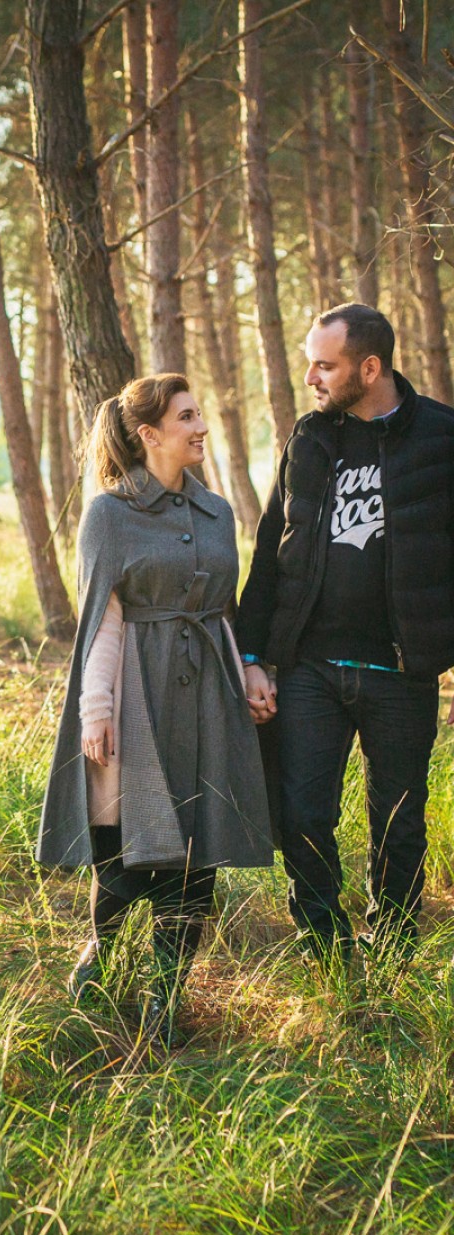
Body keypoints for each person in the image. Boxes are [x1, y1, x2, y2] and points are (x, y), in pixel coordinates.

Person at [37, 374, 274, 1042]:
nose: (202, 427)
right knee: (127, 849)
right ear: (149, 434)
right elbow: (101, 620)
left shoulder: (218, 513)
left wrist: (249, 671)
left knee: (199, 852)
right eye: (187, 417)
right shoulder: (109, 514)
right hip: (134, 691)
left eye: (200, 414)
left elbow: (221, 610)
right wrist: (95, 712)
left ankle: (167, 1003)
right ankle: (102, 956)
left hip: (208, 698)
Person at [237, 303, 454, 960]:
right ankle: (324, 939)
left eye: (324, 365)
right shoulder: (310, 438)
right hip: (309, 668)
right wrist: (252, 656)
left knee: (399, 826)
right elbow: (270, 548)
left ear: (369, 366)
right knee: (302, 815)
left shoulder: (443, 440)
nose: (311, 376)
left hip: (401, 671)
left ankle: (390, 948)